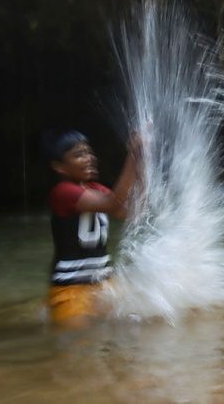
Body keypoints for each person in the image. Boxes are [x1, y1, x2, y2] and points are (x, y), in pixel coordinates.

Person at [43, 129, 139, 327]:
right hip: (71, 290)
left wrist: (143, 164)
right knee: (81, 347)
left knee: (134, 331)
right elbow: (113, 203)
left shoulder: (96, 189)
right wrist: (133, 155)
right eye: (79, 155)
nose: (89, 158)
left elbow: (129, 212)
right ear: (59, 167)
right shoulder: (62, 192)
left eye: (89, 153)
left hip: (104, 286)